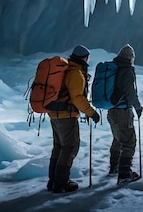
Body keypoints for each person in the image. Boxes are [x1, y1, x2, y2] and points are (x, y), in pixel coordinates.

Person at [47, 45, 100, 193]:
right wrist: (91, 113)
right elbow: (76, 97)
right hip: (66, 116)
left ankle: (53, 182)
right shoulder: (76, 72)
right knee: (70, 147)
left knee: (59, 147)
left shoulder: (68, 70)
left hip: (55, 114)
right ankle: (61, 183)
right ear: (85, 57)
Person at [106, 44, 143, 185]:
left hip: (112, 111)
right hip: (122, 112)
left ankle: (114, 167)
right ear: (130, 58)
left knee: (118, 138)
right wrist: (138, 108)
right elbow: (130, 92)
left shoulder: (113, 69)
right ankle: (124, 174)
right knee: (129, 142)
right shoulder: (126, 71)